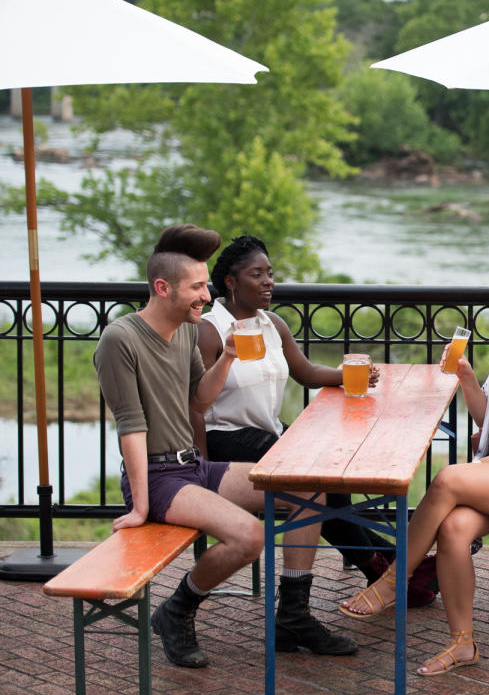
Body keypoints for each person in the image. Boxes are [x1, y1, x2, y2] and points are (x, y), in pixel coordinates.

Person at [93, 224, 356, 668]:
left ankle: (292, 616)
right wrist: (140, 506)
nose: (205, 295)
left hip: (192, 468)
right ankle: (177, 610)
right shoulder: (121, 339)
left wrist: (230, 355)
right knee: (249, 535)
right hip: (157, 478)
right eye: (196, 287)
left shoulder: (184, 333)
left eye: (204, 286)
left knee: (308, 488)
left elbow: (199, 398)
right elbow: (131, 426)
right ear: (162, 287)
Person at [337, 271, 489, 677]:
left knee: (450, 479)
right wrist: (467, 377)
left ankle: (392, 581)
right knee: (453, 527)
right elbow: (485, 418)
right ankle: (462, 643)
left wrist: (484, 466)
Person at [193, 234, 415, 595]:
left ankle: (386, 565)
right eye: (256, 274)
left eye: (270, 273)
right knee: (317, 485)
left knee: (328, 483)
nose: (268, 281)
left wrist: (348, 375)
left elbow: (307, 373)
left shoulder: (272, 324)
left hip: (266, 432)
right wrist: (200, 465)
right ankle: (387, 565)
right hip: (225, 439)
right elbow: (195, 405)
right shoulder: (210, 330)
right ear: (231, 282)